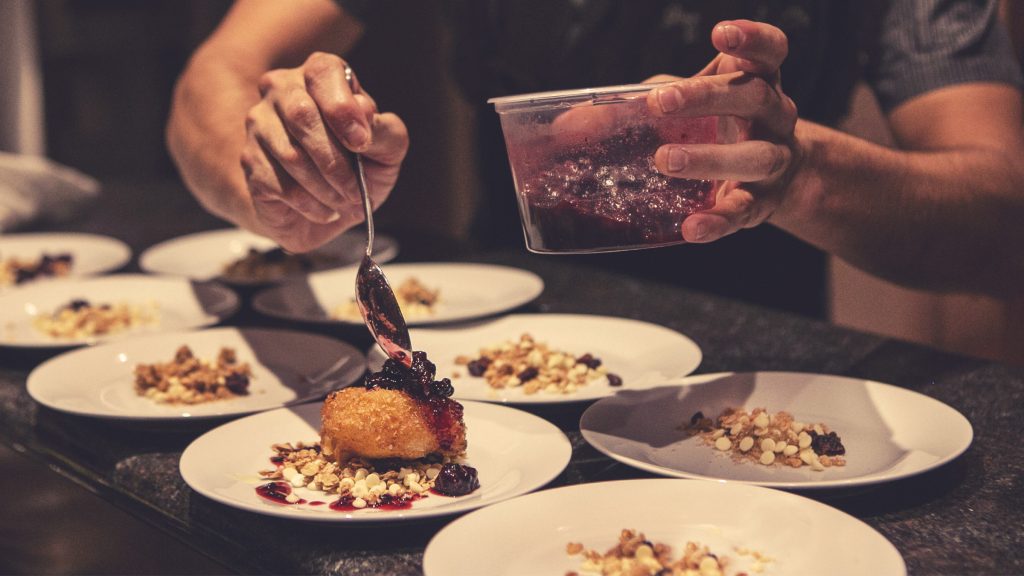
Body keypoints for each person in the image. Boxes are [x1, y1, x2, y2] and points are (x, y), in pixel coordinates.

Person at [167, 0, 1024, 314]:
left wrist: (797, 174)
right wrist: (275, 181)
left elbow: (1003, 221)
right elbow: (218, 75)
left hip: (772, 381)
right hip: (498, 362)